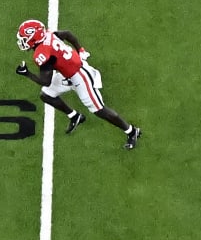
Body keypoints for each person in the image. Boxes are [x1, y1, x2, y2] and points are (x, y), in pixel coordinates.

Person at [14, 19, 141, 149]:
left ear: (33, 38)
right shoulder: (48, 35)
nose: (22, 41)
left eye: (24, 38)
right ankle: (75, 116)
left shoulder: (42, 53)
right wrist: (80, 49)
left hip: (80, 75)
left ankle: (132, 131)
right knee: (46, 95)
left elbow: (46, 81)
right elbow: (68, 34)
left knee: (99, 109)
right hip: (68, 73)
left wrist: (27, 73)